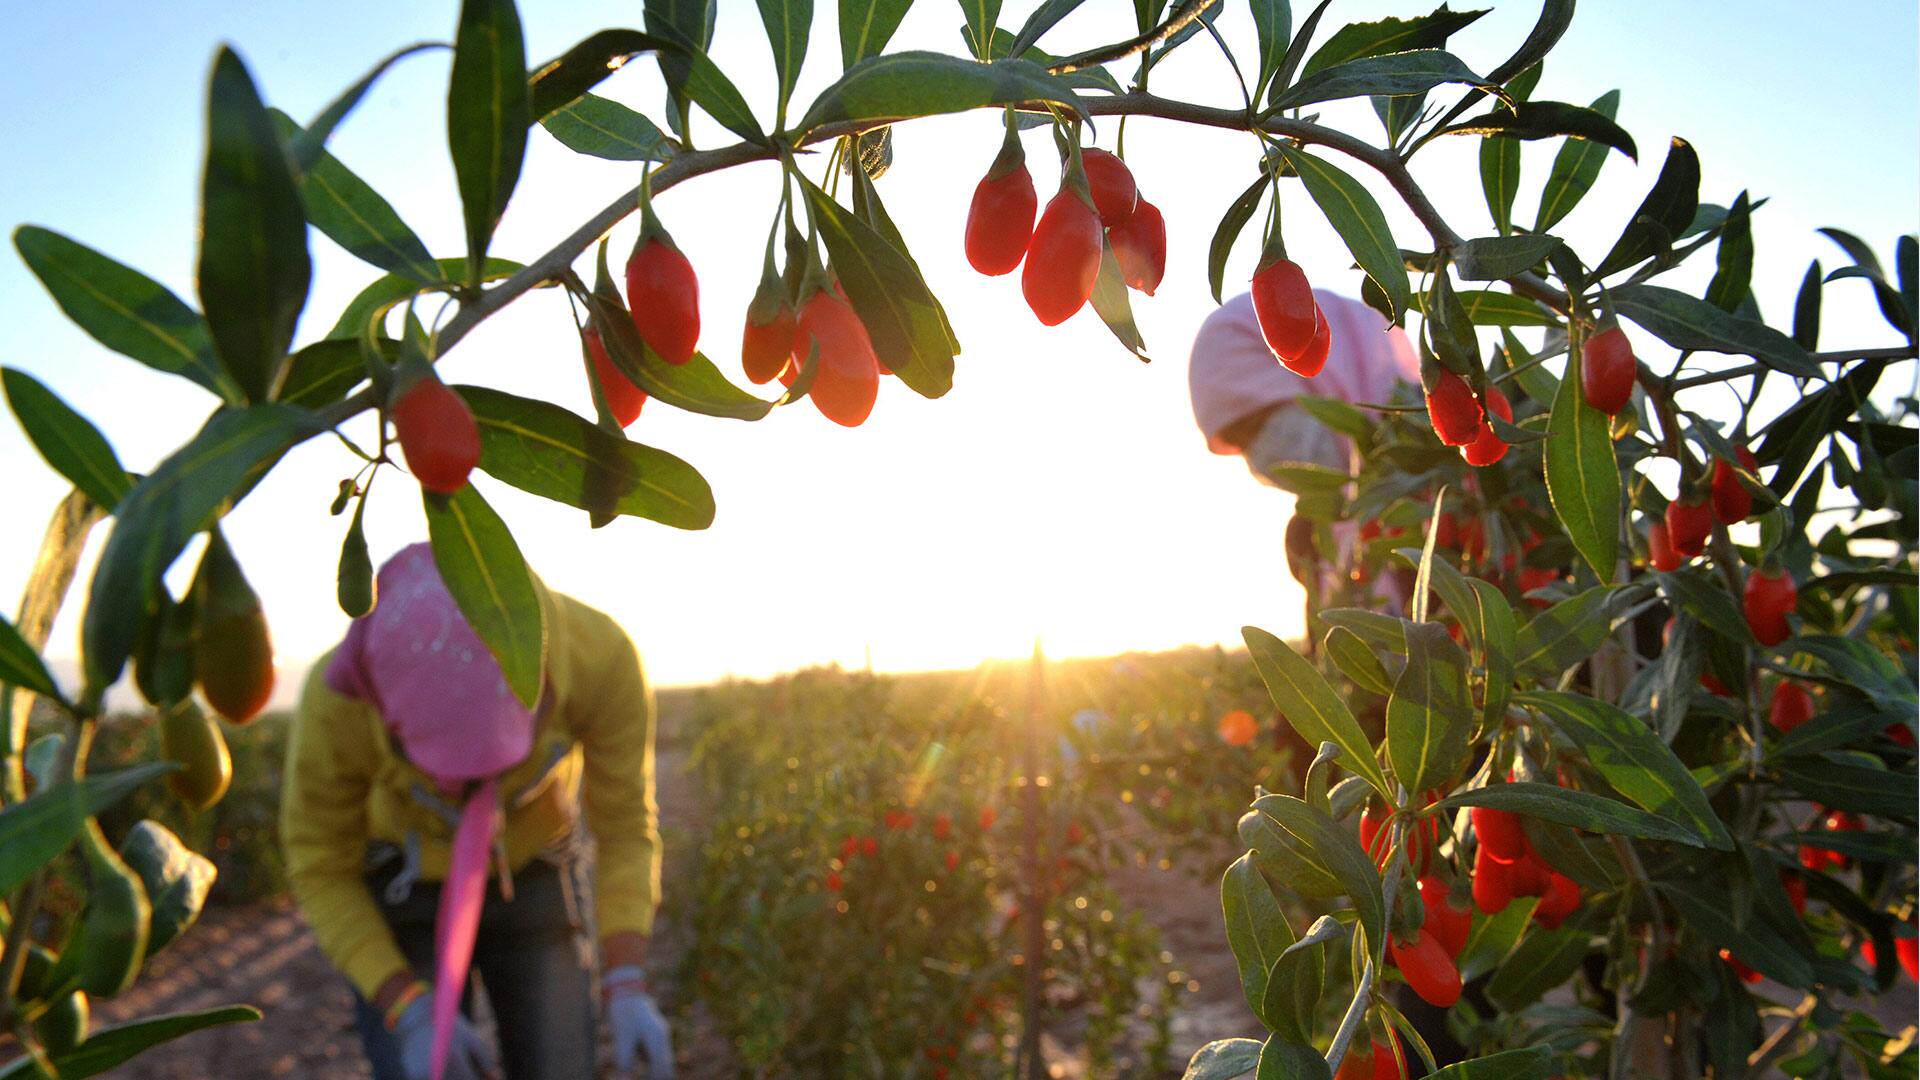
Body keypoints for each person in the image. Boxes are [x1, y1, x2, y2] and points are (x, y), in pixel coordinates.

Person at [282, 543, 673, 1080]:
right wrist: (408, 1008)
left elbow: (626, 826)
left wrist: (626, 979)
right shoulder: (340, 702)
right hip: (404, 880)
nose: (466, 796)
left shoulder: (599, 659)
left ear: (545, 694)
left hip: (532, 865)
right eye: (442, 770)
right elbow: (320, 865)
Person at [1188, 288, 1420, 599]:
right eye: (1240, 443)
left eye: (1259, 427)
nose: (1260, 460)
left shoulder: (1452, 510)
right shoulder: (1318, 546)